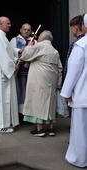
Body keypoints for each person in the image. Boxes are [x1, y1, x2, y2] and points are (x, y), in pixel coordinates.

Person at [19, 30, 63, 137]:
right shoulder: (55, 51)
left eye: (39, 37)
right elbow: (60, 68)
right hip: (51, 81)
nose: (38, 38)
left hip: (39, 80)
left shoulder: (40, 46)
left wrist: (29, 45)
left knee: (38, 102)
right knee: (50, 103)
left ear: (43, 38)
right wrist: (59, 82)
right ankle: (51, 128)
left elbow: (25, 55)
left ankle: (39, 129)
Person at [60, 13, 87, 168]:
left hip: (83, 95)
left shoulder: (81, 45)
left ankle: (79, 159)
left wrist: (67, 93)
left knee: (80, 131)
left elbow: (73, 71)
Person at [0, 16, 19, 133]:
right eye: (8, 23)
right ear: (1, 24)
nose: (10, 25)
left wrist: (19, 53)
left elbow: (9, 51)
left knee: (6, 98)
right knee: (0, 98)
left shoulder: (3, 37)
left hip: (5, 70)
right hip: (1, 71)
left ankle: (6, 123)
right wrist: (13, 66)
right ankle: (1, 126)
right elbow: (1, 56)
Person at [10, 23, 35, 117]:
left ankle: (28, 115)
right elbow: (10, 51)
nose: (26, 31)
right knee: (18, 91)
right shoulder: (14, 40)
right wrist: (20, 51)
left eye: (28, 30)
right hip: (18, 71)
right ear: (20, 30)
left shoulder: (33, 41)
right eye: (24, 29)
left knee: (29, 92)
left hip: (30, 71)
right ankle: (18, 115)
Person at [63, 15, 85, 79]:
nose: (71, 30)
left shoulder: (76, 44)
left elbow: (70, 65)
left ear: (75, 28)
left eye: (71, 28)